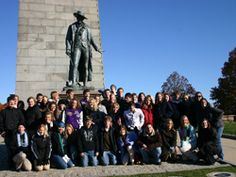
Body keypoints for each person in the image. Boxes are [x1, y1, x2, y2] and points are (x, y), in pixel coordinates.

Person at [65, 10, 101, 87]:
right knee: (75, 64)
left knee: (86, 66)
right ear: (77, 17)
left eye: (81, 17)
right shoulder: (72, 26)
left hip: (85, 47)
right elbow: (68, 38)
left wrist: (96, 48)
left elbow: (91, 39)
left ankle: (85, 84)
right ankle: (74, 82)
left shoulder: (87, 27)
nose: (80, 19)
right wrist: (68, 48)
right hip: (76, 47)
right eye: (79, 17)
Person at [0, 96, 25, 164]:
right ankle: (10, 163)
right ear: (8, 103)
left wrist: (21, 126)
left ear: (14, 102)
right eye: (10, 102)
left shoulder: (18, 111)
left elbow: (22, 120)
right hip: (7, 133)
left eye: (12, 102)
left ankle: (17, 162)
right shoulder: (3, 111)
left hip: (17, 133)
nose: (11, 103)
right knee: (9, 149)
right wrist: (2, 131)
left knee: (17, 148)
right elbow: (0, 122)